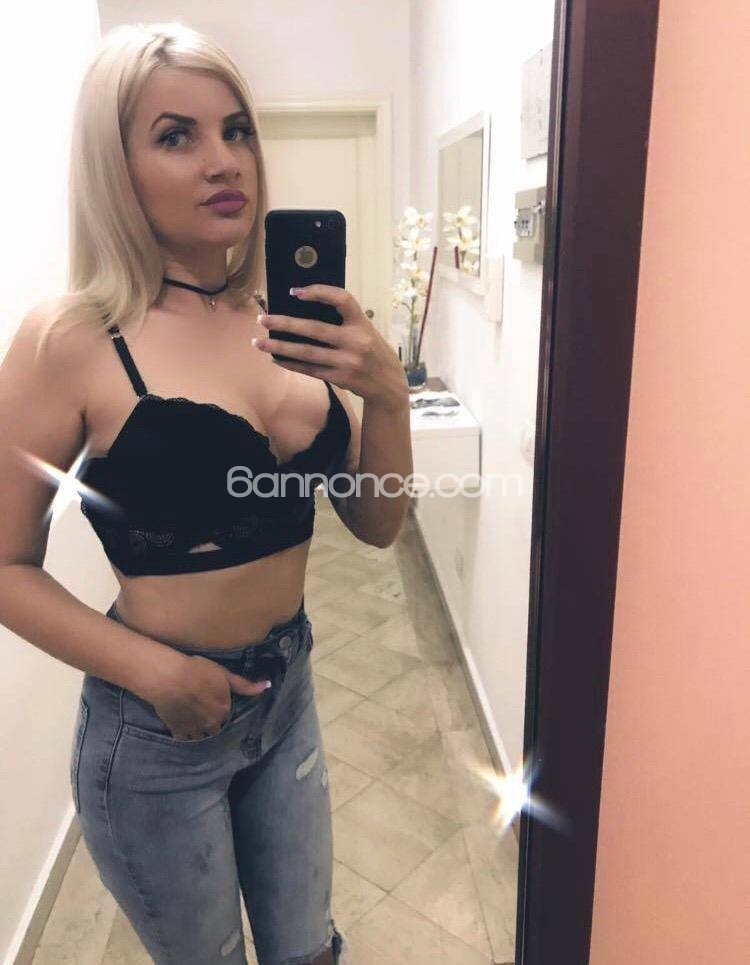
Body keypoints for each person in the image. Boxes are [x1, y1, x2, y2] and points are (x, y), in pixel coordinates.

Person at [0, 21, 412, 965]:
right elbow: (4, 564)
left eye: (237, 130)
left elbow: (379, 521)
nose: (224, 160)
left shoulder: (283, 323)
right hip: (155, 733)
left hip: (288, 693)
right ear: (114, 167)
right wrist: (153, 673)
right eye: (176, 135)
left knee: (308, 950)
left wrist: (385, 395)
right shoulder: (72, 339)